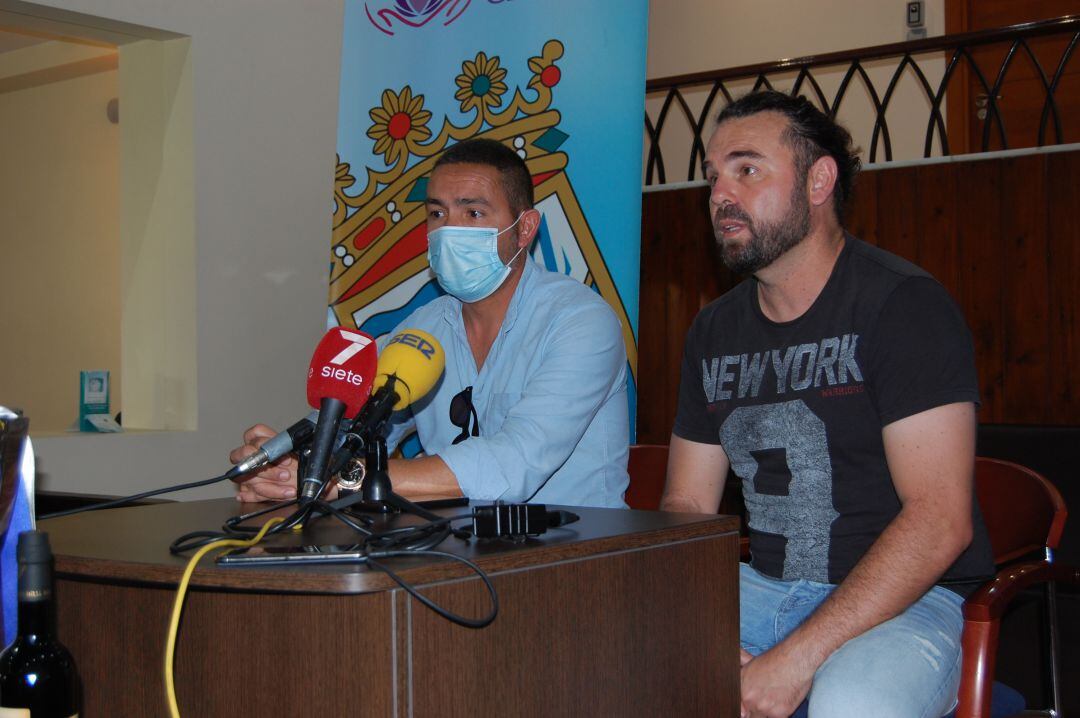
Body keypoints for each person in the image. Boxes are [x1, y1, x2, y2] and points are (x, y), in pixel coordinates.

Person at [659, 90, 994, 718]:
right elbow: (687, 504)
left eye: (747, 168)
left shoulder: (902, 306)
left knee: (853, 703)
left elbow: (940, 520)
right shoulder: (712, 331)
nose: (720, 195)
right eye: (713, 176)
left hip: (900, 600)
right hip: (760, 588)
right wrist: (700, 623)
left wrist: (795, 658)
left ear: (819, 180)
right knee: (603, 652)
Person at [231, 138, 629, 508]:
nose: (449, 230)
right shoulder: (419, 333)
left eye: (473, 213)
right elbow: (355, 431)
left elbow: (515, 464)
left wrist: (341, 476)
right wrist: (286, 465)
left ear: (524, 228)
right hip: (451, 553)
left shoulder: (582, 323)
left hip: (578, 560)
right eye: (438, 213)